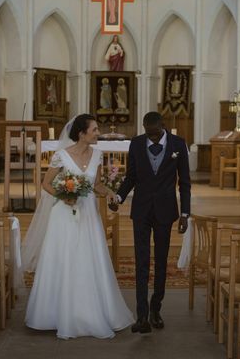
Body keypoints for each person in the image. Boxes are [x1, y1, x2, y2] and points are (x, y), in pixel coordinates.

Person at [22, 114, 133, 339]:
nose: (98, 133)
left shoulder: (97, 155)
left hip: (88, 214)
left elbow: (97, 185)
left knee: (88, 259)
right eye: (94, 130)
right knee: (64, 258)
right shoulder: (61, 156)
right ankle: (55, 313)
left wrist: (111, 193)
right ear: (82, 133)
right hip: (64, 215)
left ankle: (90, 311)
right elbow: (46, 184)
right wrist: (64, 196)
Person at [110, 111, 191, 333]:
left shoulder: (178, 144)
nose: (152, 139)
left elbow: (184, 182)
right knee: (141, 262)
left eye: (155, 135)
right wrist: (118, 197)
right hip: (142, 211)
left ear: (162, 127)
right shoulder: (136, 144)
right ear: (144, 128)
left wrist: (185, 214)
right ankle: (142, 316)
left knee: (161, 262)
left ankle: (156, 309)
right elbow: (131, 177)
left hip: (166, 211)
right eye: (149, 134)